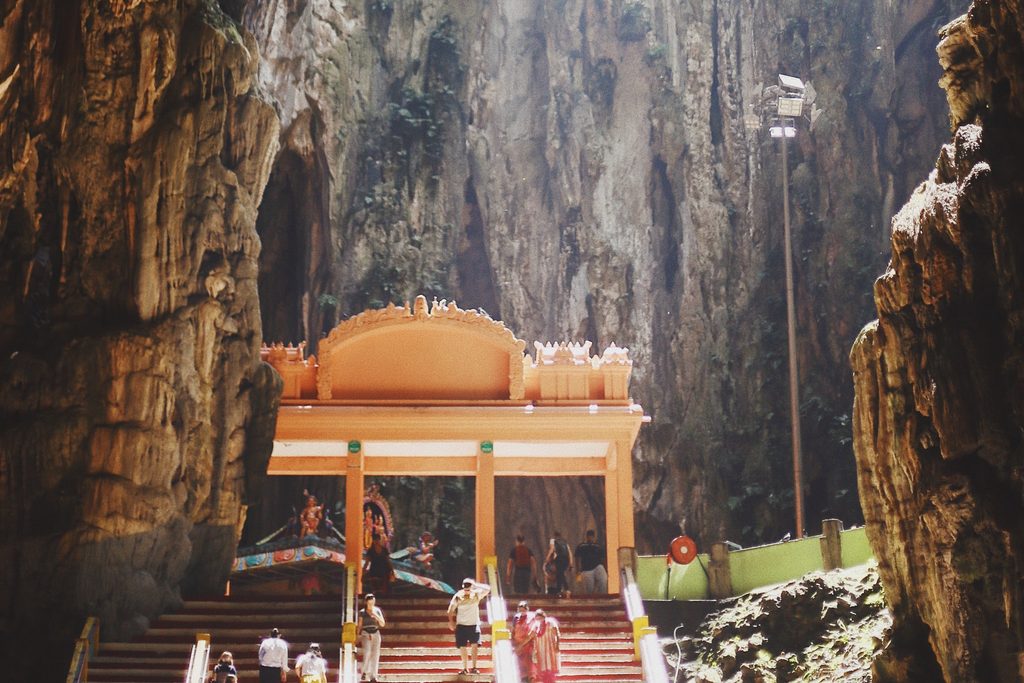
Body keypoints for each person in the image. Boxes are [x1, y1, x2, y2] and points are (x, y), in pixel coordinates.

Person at [447, 577, 491, 675]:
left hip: (473, 624)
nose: (466, 590)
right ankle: (465, 668)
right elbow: (450, 610)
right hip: (461, 625)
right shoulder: (458, 596)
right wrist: (451, 621)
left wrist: (475, 585)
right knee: (462, 647)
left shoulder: (476, 594)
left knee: (474, 646)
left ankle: (474, 667)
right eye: (465, 588)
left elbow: (488, 589)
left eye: (468, 588)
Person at [357, 593, 386, 683]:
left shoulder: (377, 610)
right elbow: (360, 625)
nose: (371, 604)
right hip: (366, 633)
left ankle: (374, 676)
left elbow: (382, 624)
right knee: (367, 652)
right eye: (370, 603)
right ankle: (365, 672)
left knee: (375, 654)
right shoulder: (362, 612)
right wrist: (357, 635)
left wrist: (376, 616)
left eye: (372, 602)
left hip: (375, 633)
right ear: (366, 602)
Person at [528, 609, 561, 683]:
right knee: (543, 671)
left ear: (543, 616)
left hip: (550, 650)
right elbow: (530, 636)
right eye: (537, 617)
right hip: (540, 651)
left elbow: (557, 634)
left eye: (540, 617)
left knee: (550, 670)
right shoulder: (536, 625)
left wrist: (557, 645)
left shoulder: (550, 622)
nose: (539, 619)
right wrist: (520, 645)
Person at [574, 530, 608, 594]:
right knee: (589, 589)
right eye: (589, 536)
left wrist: (606, 569)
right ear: (587, 537)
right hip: (586, 569)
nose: (590, 538)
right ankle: (591, 596)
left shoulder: (598, 546)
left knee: (603, 579)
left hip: (597, 566)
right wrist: (578, 570)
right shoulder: (582, 546)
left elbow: (603, 558)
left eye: (592, 537)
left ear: (594, 537)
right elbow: (577, 557)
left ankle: (602, 594)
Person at [510, 601, 534, 682]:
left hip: (528, 646)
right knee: (520, 669)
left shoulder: (532, 618)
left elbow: (532, 634)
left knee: (530, 669)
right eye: (520, 609)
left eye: (524, 609)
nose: (522, 611)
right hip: (518, 647)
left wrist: (522, 645)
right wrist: (513, 645)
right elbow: (513, 631)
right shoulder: (516, 618)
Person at [545, 532, 573, 598]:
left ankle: (566, 589)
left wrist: (547, 558)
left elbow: (551, 549)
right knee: (560, 573)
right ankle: (559, 590)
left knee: (560, 573)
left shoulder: (553, 540)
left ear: (554, 536)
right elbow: (569, 552)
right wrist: (571, 563)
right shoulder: (564, 542)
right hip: (566, 559)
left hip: (560, 558)